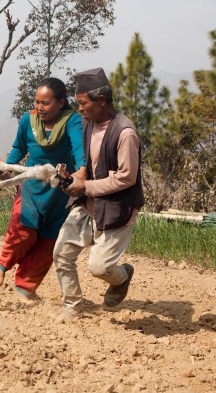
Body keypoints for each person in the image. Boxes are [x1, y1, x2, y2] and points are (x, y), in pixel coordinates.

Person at [52, 68, 144, 322]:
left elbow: (127, 177)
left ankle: (122, 276)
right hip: (88, 203)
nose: (79, 109)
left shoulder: (125, 133)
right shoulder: (87, 123)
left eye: (83, 103)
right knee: (62, 253)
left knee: (100, 267)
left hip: (118, 207)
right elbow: (89, 162)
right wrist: (79, 175)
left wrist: (87, 187)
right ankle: (73, 305)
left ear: (101, 101)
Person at [0, 78, 86, 302]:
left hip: (60, 191)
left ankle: (25, 288)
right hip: (32, 187)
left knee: (49, 241)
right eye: (37, 102)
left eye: (46, 103)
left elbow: (79, 147)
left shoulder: (72, 121)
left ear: (61, 102)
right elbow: (18, 148)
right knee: (24, 229)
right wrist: (7, 169)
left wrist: (82, 170)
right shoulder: (28, 120)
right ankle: (3, 262)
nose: (40, 107)